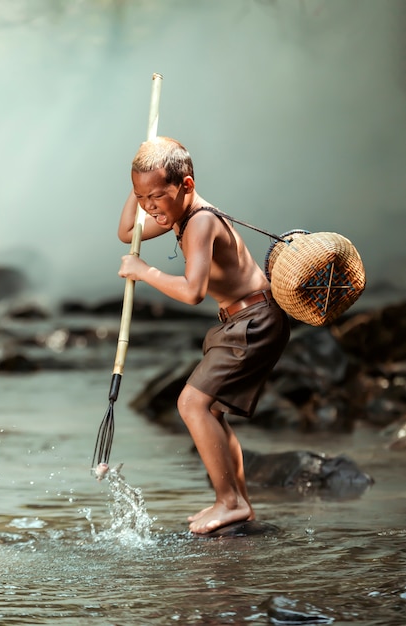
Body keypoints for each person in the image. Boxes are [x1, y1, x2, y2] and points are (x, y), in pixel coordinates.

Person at [117, 136, 290, 534]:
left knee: (192, 403)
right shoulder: (176, 213)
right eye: (142, 197)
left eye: (157, 196)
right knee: (209, 410)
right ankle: (236, 501)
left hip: (254, 320)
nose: (149, 207)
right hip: (239, 321)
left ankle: (229, 502)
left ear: (187, 186)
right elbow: (129, 233)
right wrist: (139, 185)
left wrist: (144, 272)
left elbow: (193, 292)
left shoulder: (200, 221)